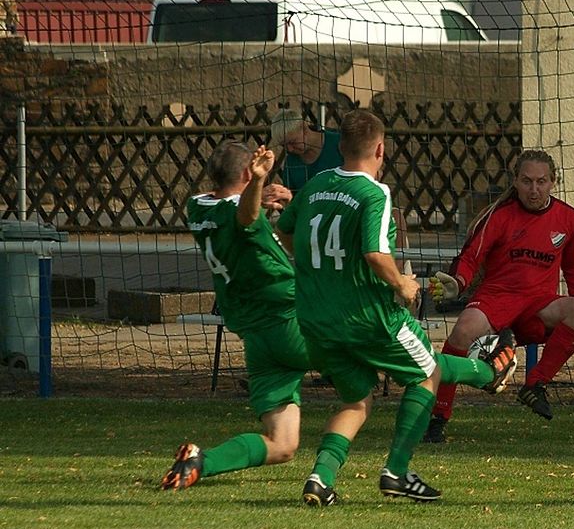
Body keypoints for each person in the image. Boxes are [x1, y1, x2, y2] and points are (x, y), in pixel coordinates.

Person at [275, 109, 518, 506]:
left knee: (356, 401)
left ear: (341, 147)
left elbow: (285, 230)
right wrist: (402, 282)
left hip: (316, 320)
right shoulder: (375, 193)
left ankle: (319, 478)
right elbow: (374, 252)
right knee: (428, 373)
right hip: (369, 317)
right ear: (381, 149)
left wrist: (319, 267)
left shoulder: (317, 184)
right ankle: (399, 470)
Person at [424, 149, 574, 443]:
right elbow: (470, 257)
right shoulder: (498, 216)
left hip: (538, 306)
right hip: (497, 298)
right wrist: (458, 281)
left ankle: (535, 385)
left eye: (541, 182)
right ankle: (437, 418)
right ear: (515, 181)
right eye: (527, 181)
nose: (534, 189)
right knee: (462, 332)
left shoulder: (569, 218)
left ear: (554, 182)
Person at [161, 142, 312, 490]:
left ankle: (199, 462)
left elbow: (231, 203)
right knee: (364, 348)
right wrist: (258, 187)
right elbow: (243, 217)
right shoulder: (244, 214)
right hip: (288, 322)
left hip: (257, 336)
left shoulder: (198, 207)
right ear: (248, 173)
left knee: (283, 444)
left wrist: (256, 191)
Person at [265, 107, 410, 273]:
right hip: (317, 218)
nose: (290, 149)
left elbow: (370, 175)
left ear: (304, 128)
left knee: (396, 217)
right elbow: (295, 207)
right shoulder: (292, 163)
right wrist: (288, 200)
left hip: (350, 209)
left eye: (292, 142)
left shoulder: (338, 143)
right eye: (285, 145)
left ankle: (397, 276)